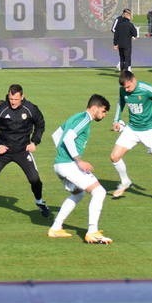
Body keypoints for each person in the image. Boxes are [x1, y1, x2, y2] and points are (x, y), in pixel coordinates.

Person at [0, 84, 49, 223]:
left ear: (22, 97)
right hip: (3, 151)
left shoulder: (30, 109)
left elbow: (40, 124)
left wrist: (34, 142)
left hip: (23, 151)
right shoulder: (1, 109)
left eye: (16, 99)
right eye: (11, 98)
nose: (12, 102)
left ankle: (40, 202)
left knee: (34, 179)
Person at [49, 94, 113, 244]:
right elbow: (67, 138)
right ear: (94, 108)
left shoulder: (75, 117)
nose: (104, 115)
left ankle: (55, 228)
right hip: (69, 164)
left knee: (78, 194)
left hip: (60, 164)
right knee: (99, 191)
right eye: (103, 111)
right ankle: (92, 231)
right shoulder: (84, 119)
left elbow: (56, 134)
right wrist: (78, 160)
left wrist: (61, 154)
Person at [110, 70, 152, 205]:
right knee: (114, 157)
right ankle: (125, 181)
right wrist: (116, 120)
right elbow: (121, 103)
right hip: (132, 129)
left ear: (133, 80)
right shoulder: (123, 90)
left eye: (128, 87)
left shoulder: (146, 89)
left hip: (150, 131)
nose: (126, 90)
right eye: (124, 88)